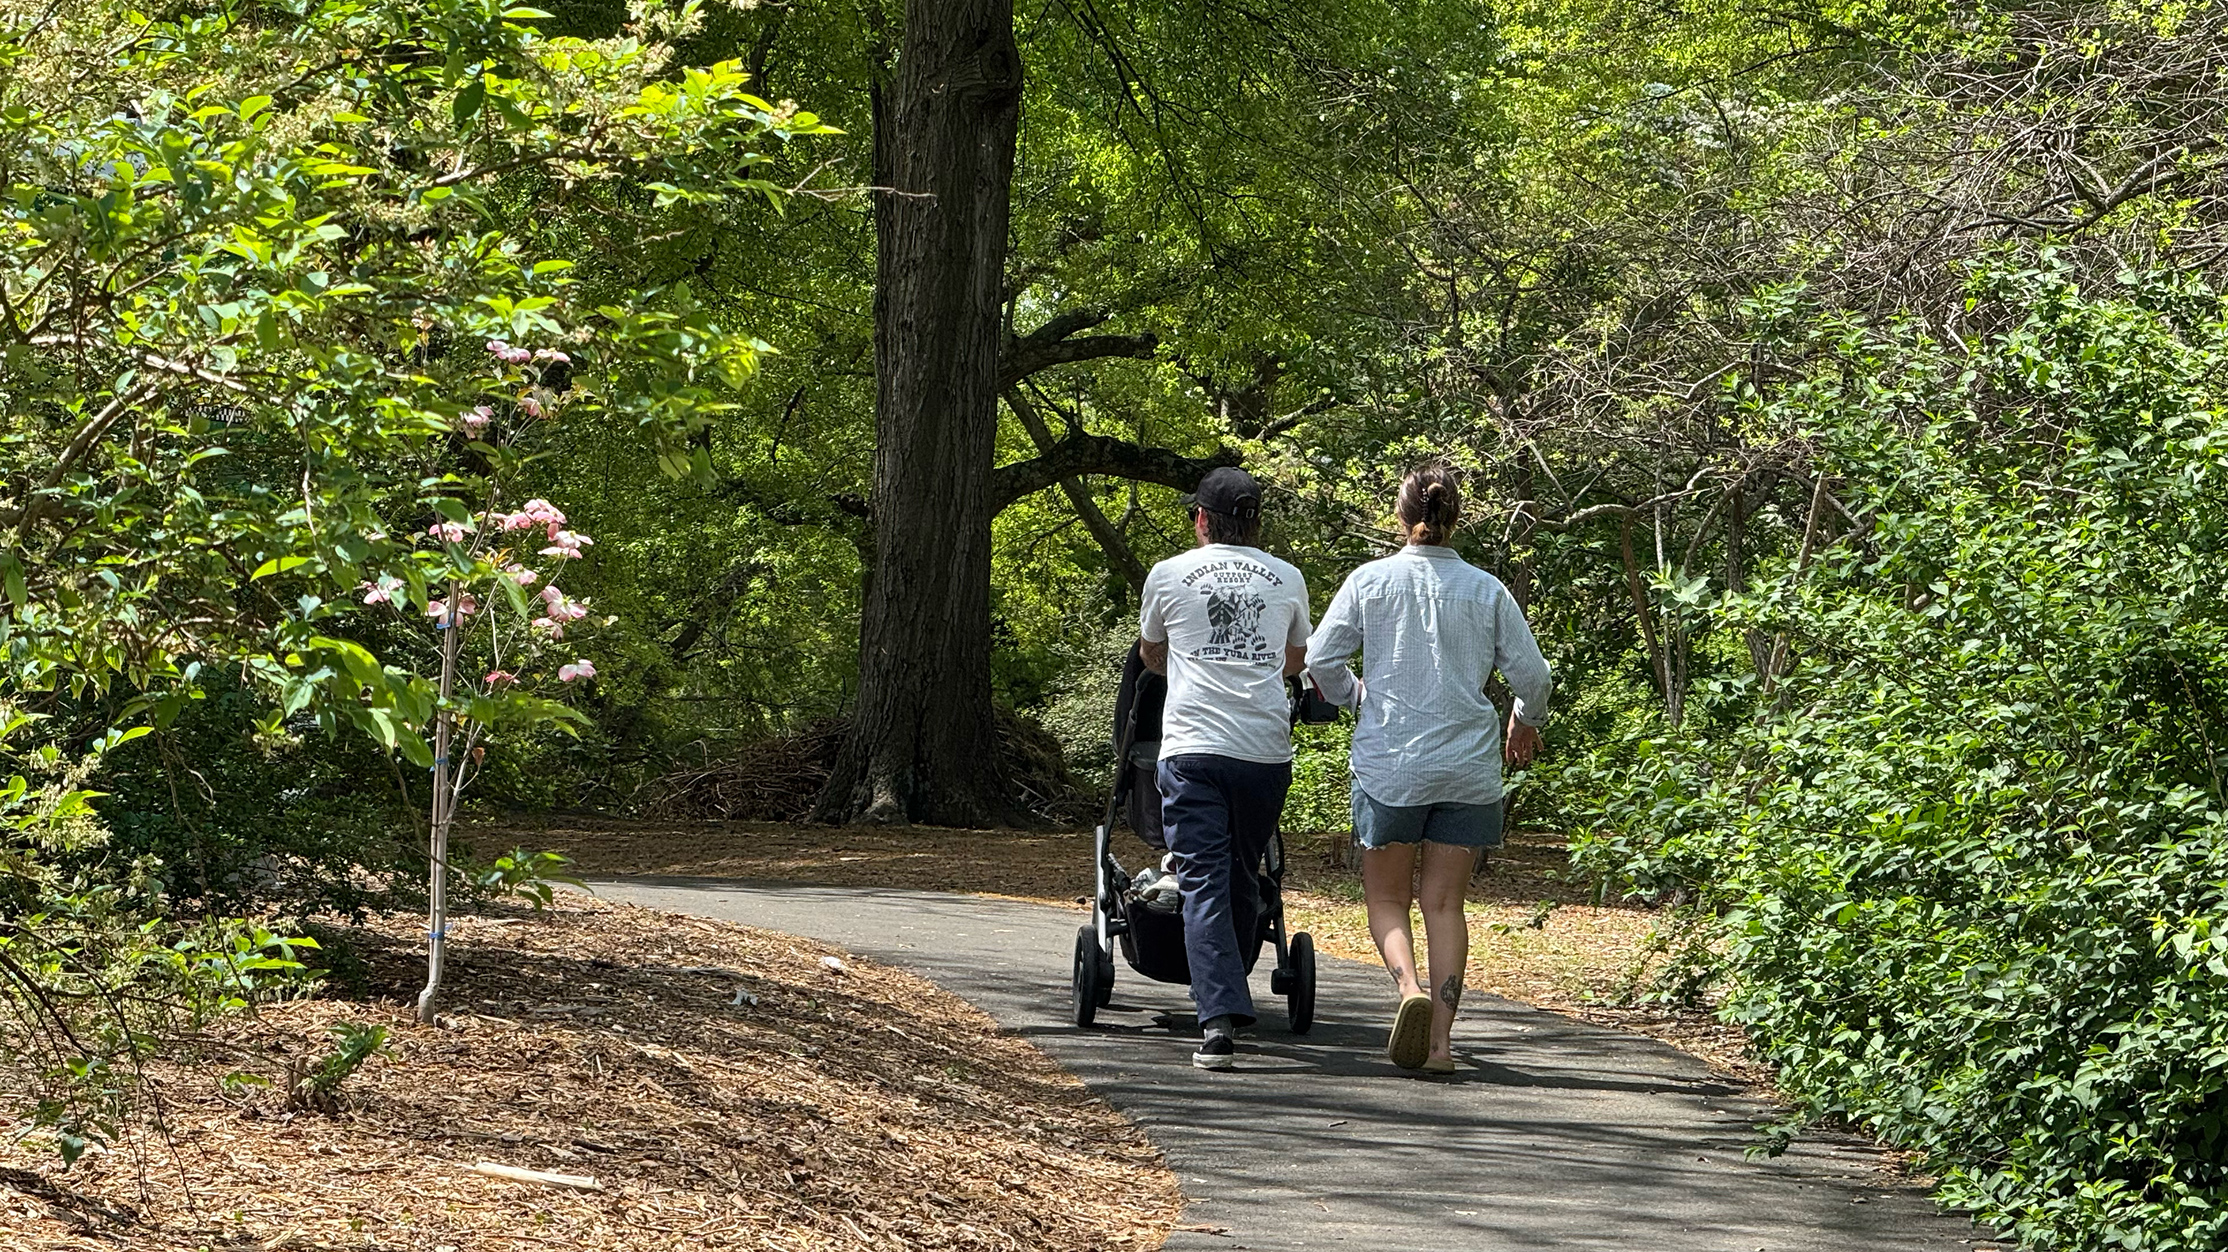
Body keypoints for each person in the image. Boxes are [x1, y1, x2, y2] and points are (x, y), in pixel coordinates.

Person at [1304, 461, 1550, 1073]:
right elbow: (1534, 677)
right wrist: (1525, 718)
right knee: (1444, 907)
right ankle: (1440, 1046)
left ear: (1401, 514)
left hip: (1392, 767)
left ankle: (1409, 989)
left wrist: (1356, 697)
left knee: (1386, 897)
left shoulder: (1370, 581)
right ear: (1455, 517)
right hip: (1468, 771)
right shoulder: (1486, 590)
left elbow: (1320, 659)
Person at [1138, 467, 1312, 1070]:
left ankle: (1217, 1022)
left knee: (1204, 879)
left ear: (1201, 520)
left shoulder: (1168, 575)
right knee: (1241, 872)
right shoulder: (1287, 577)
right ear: (1255, 522)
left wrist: (1191, 663)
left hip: (1192, 749)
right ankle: (1227, 996)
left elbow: (1150, 652)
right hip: (1263, 751)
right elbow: (1296, 659)